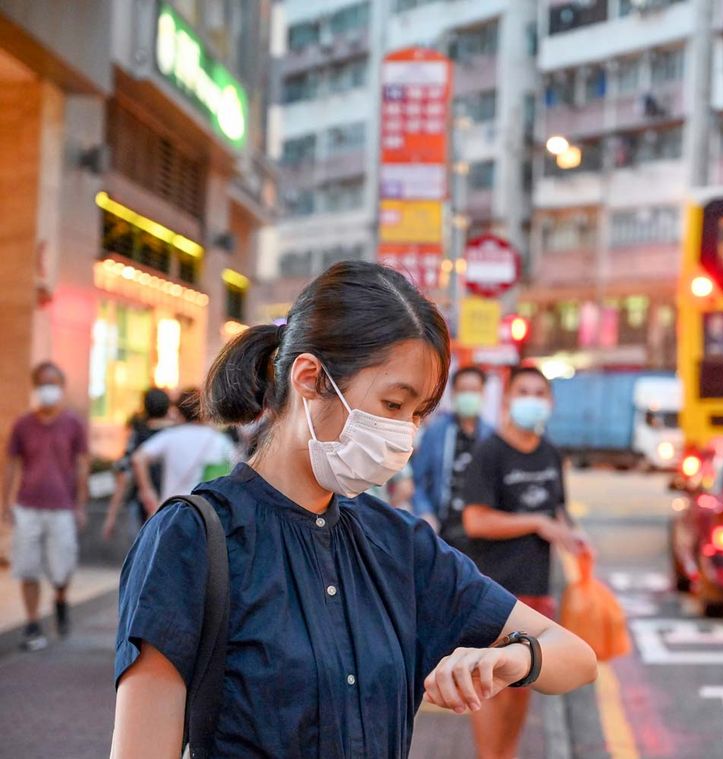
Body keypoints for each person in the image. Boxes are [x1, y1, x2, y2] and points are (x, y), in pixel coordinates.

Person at [110, 261, 596, 759]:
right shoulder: (192, 538)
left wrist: (511, 660)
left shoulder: (399, 544)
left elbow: (576, 658)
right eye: (392, 404)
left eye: (417, 413)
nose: (405, 433)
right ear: (310, 378)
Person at [462, 365, 592, 759]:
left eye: (539, 393)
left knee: (523, 684)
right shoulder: (489, 453)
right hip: (494, 594)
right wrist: (536, 523)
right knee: (488, 690)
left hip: (536, 592)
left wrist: (573, 535)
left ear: (549, 403)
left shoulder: (551, 453)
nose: (532, 400)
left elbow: (558, 510)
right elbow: (475, 520)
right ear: (507, 400)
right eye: (524, 391)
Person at [0, 362, 89, 651]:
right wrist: (5, 503)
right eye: (41, 382)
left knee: (62, 567)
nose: (46, 388)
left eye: (52, 382)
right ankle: (32, 622)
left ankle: (60, 599)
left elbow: (81, 466)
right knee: (27, 566)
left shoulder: (73, 424)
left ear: (61, 387)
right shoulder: (23, 424)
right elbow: (10, 465)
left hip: (62, 507)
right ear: (35, 386)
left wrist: (80, 505)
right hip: (27, 506)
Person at [411, 365, 494, 544]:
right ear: (453, 393)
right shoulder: (435, 432)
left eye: (474, 390)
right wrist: (425, 513)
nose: (468, 395)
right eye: (463, 390)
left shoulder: (492, 437)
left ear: (483, 393)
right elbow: (417, 480)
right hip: (442, 530)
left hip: (481, 534)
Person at [130, 388, 236, 515]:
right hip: (208, 514)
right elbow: (235, 467)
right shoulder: (218, 439)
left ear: (179, 411)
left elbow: (138, 459)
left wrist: (148, 493)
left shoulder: (170, 436)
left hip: (172, 511)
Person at [102, 388, 172, 540]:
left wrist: (111, 515)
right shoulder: (177, 434)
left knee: (142, 552)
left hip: (141, 502)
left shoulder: (139, 433)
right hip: (173, 501)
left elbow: (124, 473)